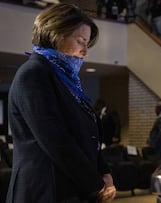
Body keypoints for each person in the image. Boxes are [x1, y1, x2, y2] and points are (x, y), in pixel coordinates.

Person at [6, 3, 116, 203]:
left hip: (67, 188)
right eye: (81, 41)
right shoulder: (33, 74)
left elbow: (84, 134)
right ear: (56, 34)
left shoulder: (64, 78)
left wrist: (104, 171)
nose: (85, 51)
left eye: (87, 43)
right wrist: (96, 184)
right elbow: (56, 140)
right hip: (45, 190)